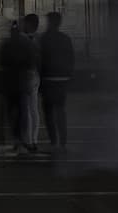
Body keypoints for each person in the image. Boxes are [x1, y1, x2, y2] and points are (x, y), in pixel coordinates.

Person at [0, 20, 39, 155]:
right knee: (23, 113)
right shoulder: (25, 44)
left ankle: (18, 140)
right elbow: (31, 62)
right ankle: (26, 140)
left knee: (14, 114)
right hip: (21, 83)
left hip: (11, 84)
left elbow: (2, 62)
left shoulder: (7, 44)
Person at [38, 11, 74, 150]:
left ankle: (53, 140)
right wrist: (69, 75)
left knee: (48, 112)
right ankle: (63, 140)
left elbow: (39, 60)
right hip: (62, 79)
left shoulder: (44, 38)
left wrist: (40, 77)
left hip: (48, 79)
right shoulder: (65, 38)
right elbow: (71, 59)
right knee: (60, 110)